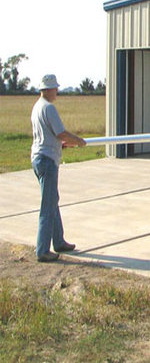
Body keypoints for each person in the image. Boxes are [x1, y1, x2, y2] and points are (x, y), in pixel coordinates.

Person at [31, 74, 87, 262]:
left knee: (52, 200)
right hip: (47, 160)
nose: (57, 91)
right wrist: (78, 141)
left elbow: (47, 136)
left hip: (40, 157)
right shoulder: (49, 108)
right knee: (48, 205)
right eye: (55, 88)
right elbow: (60, 132)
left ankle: (59, 241)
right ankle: (43, 251)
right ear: (48, 89)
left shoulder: (37, 107)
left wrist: (60, 145)